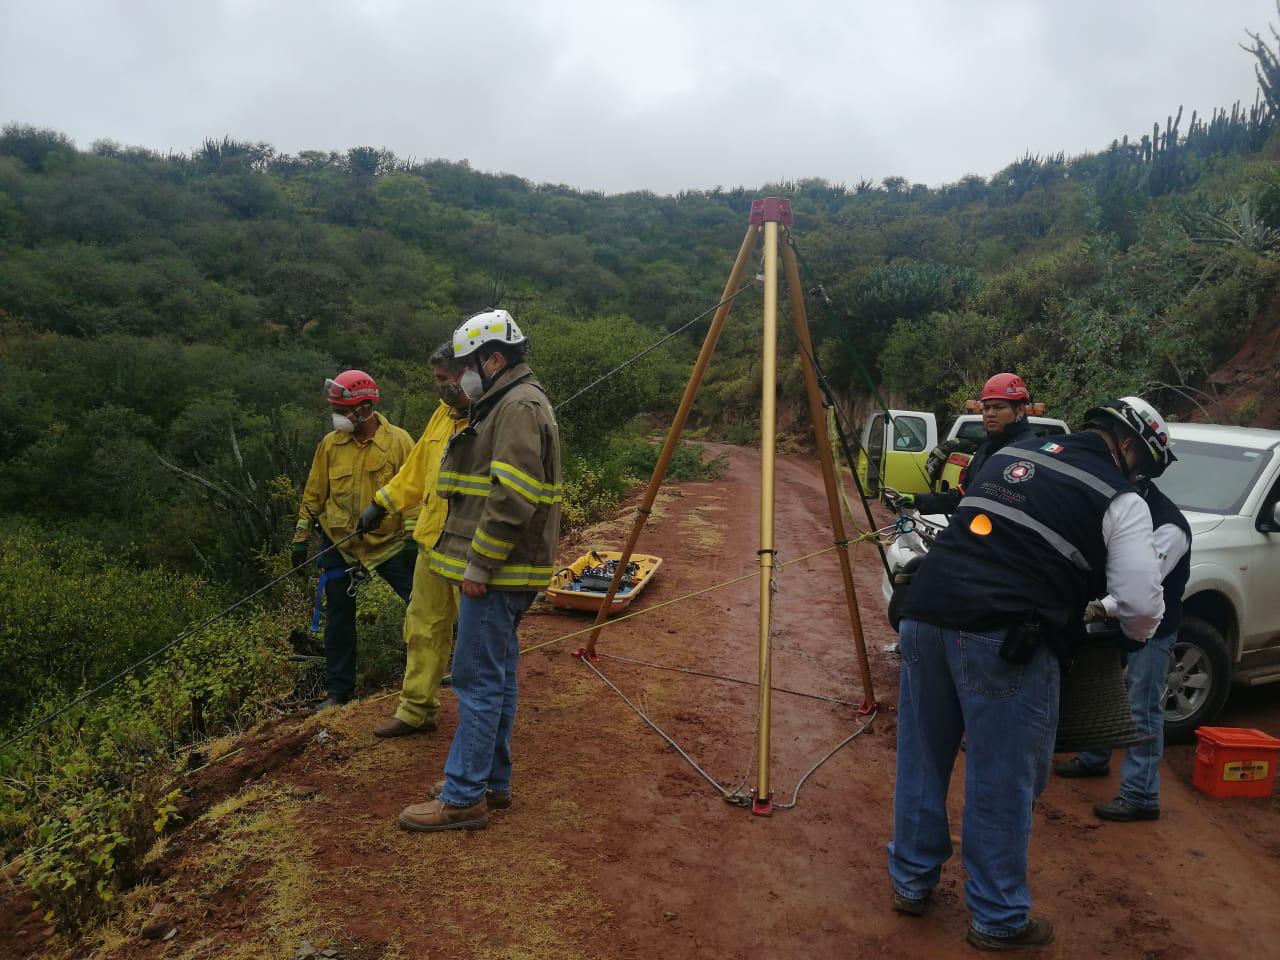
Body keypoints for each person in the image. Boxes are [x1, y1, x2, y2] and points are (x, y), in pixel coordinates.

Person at [887, 396, 1172, 951]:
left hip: (925, 614)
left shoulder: (1012, 456)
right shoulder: (1121, 499)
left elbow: (973, 533)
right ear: (1131, 449)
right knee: (1002, 779)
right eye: (1143, 467)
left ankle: (910, 883)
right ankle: (997, 919)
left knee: (922, 757)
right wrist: (1129, 638)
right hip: (1006, 639)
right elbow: (1140, 604)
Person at [398, 309, 562, 833]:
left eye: (468, 363)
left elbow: (512, 496)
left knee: (475, 679)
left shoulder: (515, 406)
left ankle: (464, 795)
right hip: (504, 571)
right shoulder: (508, 401)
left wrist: (481, 565)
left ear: (494, 359)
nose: (463, 374)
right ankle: (490, 782)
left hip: (497, 572)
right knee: (497, 674)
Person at [1054, 398, 1191, 823]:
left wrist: (1100, 606)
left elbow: (1139, 585)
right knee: (1105, 688)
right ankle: (1095, 755)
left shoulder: (1168, 525)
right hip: (1115, 621)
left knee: (1142, 707)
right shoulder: (1120, 500)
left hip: (1152, 628)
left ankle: (1141, 795)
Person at [356, 344, 471, 737]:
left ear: (464, 374)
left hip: (473, 548)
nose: (439, 388)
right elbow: (417, 467)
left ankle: (479, 726)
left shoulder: (493, 417)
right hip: (433, 539)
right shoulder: (443, 415)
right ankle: (416, 709)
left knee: (476, 638)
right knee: (422, 626)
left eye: (443, 379)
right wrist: (381, 503)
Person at [293, 370, 418, 711]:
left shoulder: (399, 442)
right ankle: (339, 694)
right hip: (341, 544)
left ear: (364, 409)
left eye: (341, 409)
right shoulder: (330, 445)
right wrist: (301, 538)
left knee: (421, 605)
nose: (337, 416)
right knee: (338, 620)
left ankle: (433, 672)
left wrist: (412, 539)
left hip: (389, 542)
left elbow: (415, 492)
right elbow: (314, 494)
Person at [889, 372, 1037, 515]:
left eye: (999, 407)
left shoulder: (1030, 453)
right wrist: (917, 499)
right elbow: (962, 497)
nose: (990, 413)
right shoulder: (985, 450)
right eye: (986, 408)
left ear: (1020, 410)